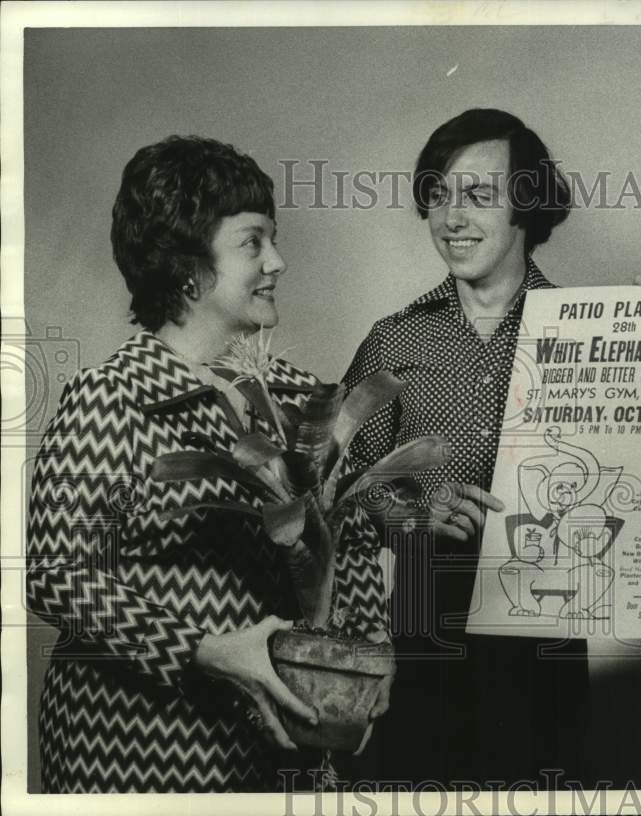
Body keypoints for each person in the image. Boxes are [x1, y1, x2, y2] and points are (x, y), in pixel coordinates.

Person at [26, 135, 386, 792]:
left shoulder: (306, 400)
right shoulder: (114, 396)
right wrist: (200, 650)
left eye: (273, 239)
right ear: (190, 268)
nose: (277, 260)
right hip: (139, 759)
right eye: (253, 242)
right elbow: (59, 573)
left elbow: (352, 537)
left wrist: (367, 655)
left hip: (286, 761)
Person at [341, 108, 592, 787]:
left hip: (555, 633)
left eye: (479, 196)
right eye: (439, 196)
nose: (452, 217)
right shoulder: (394, 341)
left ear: (526, 207)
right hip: (418, 625)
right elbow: (331, 491)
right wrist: (407, 511)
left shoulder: (595, 333)